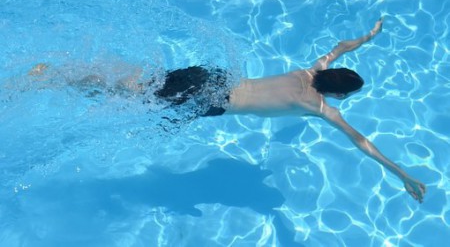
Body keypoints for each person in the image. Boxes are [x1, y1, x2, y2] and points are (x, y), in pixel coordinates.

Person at [27, 18, 426, 203]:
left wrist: (370, 36)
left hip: (212, 77)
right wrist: (404, 174)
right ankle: (61, 78)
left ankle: (72, 75)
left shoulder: (312, 70)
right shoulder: (318, 107)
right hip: (213, 102)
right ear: (339, 96)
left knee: (140, 85)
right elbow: (362, 143)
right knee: (133, 102)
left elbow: (341, 45)